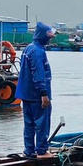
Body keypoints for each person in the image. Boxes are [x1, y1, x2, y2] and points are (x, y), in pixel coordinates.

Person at [14, 21, 55, 157]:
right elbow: (38, 74)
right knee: (42, 123)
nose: (50, 40)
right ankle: (42, 150)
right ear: (43, 36)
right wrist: (43, 93)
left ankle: (29, 150)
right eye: (49, 37)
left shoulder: (28, 49)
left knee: (29, 124)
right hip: (37, 95)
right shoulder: (38, 52)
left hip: (26, 94)